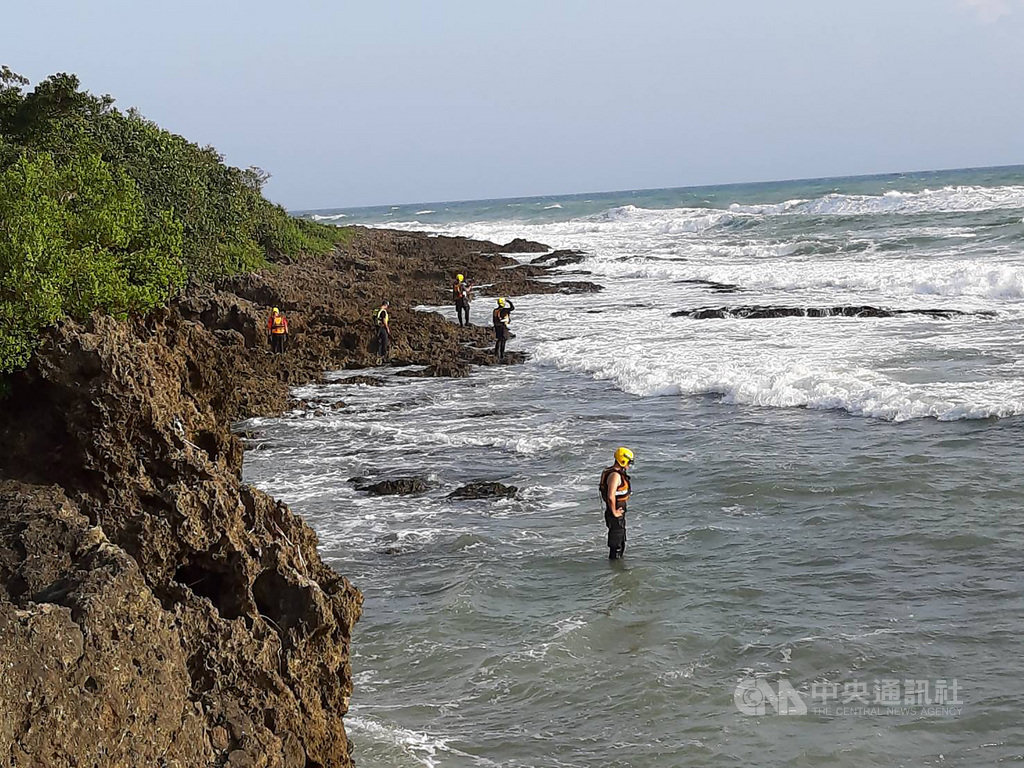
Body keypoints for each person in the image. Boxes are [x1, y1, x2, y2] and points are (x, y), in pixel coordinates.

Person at [600, 447, 634, 559]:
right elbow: (610, 496)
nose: (629, 465)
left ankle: (617, 569)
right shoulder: (615, 476)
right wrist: (614, 512)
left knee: (621, 541)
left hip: (617, 512)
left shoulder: (616, 473)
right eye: (629, 462)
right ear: (622, 460)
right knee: (616, 545)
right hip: (615, 513)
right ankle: (615, 569)